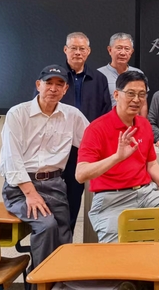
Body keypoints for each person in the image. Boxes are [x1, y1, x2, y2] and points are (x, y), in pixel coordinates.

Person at [76, 71, 159, 243]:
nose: (136, 99)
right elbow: (80, 174)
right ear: (116, 95)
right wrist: (117, 157)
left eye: (141, 94)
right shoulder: (96, 128)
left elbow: (151, 163)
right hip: (112, 199)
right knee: (117, 249)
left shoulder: (144, 124)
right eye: (130, 93)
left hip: (146, 193)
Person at [0, 65, 89, 271]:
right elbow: (11, 158)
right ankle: (39, 279)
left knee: (64, 231)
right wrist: (30, 194)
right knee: (47, 226)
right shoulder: (18, 113)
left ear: (65, 89)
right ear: (39, 85)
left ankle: (61, 280)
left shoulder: (72, 115)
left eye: (59, 84)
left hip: (55, 185)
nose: (53, 89)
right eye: (49, 83)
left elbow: (93, 141)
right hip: (20, 188)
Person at [60, 31, 112, 232]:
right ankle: (51, 244)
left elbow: (105, 114)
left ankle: (67, 240)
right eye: (73, 48)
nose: (78, 52)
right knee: (54, 201)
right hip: (57, 148)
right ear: (65, 50)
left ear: (88, 52)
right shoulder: (55, 77)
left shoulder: (99, 79)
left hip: (85, 150)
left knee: (75, 200)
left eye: (82, 49)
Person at [97, 32, 147, 117]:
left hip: (133, 121)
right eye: (119, 48)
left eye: (127, 49)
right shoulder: (99, 74)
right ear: (110, 50)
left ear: (131, 51)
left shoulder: (138, 74)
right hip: (108, 121)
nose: (123, 53)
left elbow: (143, 103)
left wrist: (143, 122)